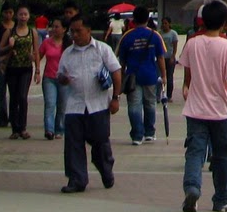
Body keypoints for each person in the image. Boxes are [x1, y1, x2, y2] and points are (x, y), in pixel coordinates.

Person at [177, 0, 227, 212]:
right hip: (220, 111)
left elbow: (188, 73)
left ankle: (192, 189)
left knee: (195, 152)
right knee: (222, 155)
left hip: (195, 109)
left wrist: (187, 87)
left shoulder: (192, 43)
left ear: (202, 21)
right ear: (225, 23)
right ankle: (221, 199)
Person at [58, 15, 122, 193]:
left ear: (88, 30)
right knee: (73, 144)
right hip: (75, 106)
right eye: (72, 31)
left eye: (78, 31)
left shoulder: (102, 49)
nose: (75, 35)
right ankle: (77, 179)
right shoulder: (67, 53)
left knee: (100, 143)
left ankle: (105, 169)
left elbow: (116, 72)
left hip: (98, 105)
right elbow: (60, 76)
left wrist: (116, 98)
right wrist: (63, 79)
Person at [117, 14, 166, 145]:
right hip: (150, 75)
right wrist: (164, 75)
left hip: (132, 76)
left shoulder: (127, 36)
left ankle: (137, 135)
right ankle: (149, 132)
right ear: (147, 20)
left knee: (134, 105)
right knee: (150, 104)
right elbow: (160, 57)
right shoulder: (155, 35)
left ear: (134, 19)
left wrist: (121, 78)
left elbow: (121, 61)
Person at [0, 4, 38, 140]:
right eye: (21, 14)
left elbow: (36, 51)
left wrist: (37, 69)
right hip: (12, 68)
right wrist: (10, 46)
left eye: (25, 14)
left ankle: (23, 128)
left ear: (29, 16)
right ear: (17, 16)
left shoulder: (32, 32)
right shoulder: (10, 32)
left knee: (22, 97)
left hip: (26, 68)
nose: (23, 17)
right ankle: (15, 128)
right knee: (14, 98)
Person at [39, 18, 69, 140]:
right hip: (49, 78)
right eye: (53, 27)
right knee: (50, 103)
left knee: (62, 106)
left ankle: (59, 129)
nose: (54, 29)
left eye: (57, 27)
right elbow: (38, 55)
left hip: (64, 79)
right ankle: (49, 130)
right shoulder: (47, 42)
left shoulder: (69, 44)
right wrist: (36, 69)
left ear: (64, 29)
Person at [159, 17, 181, 100]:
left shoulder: (173, 34)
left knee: (169, 77)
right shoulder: (160, 34)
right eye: (163, 23)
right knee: (160, 77)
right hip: (162, 58)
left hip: (169, 57)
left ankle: (169, 95)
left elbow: (175, 47)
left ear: (169, 24)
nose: (164, 25)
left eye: (166, 23)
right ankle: (159, 94)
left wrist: (173, 56)